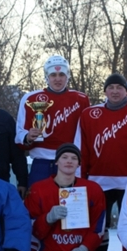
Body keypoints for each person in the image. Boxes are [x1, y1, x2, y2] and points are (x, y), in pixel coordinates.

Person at [74, 73, 127, 251]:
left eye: (119, 87)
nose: (115, 91)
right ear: (105, 91)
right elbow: (81, 148)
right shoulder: (89, 114)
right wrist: (79, 179)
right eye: (110, 87)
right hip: (98, 181)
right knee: (97, 226)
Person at [23, 143, 114, 251]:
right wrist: (47, 218)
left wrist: (84, 249)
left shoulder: (92, 189)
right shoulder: (38, 189)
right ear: (56, 162)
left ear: (79, 163)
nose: (69, 161)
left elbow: (98, 227)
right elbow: (30, 230)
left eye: (74, 158)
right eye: (64, 157)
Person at [15, 55, 90, 188]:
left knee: (71, 205)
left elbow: (88, 132)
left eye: (61, 74)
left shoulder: (81, 99)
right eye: (53, 74)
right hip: (41, 163)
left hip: (69, 161)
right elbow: (20, 135)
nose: (57, 79)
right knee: (38, 204)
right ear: (46, 76)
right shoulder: (30, 98)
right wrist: (28, 137)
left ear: (67, 76)